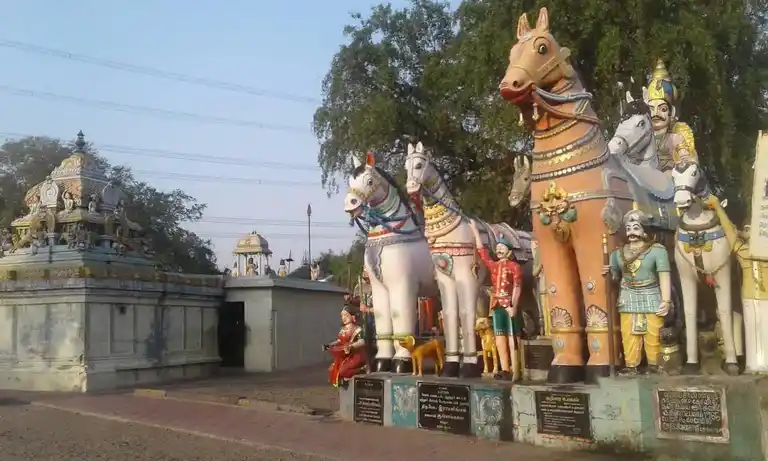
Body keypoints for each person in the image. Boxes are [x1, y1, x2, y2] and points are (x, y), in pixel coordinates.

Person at [708, 198, 768, 374]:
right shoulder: (742, 251)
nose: (750, 234)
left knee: (765, 328)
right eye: (747, 230)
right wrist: (718, 208)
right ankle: (752, 364)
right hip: (748, 295)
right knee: (751, 330)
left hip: (766, 298)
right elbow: (729, 230)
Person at [609, 210, 672, 375]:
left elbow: (664, 275)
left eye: (636, 228)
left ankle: (654, 364)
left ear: (644, 230)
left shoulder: (657, 251)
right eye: (628, 228)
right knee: (629, 333)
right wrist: (608, 273)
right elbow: (614, 278)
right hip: (628, 294)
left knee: (653, 332)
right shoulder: (617, 254)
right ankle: (632, 365)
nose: (631, 232)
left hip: (651, 294)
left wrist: (666, 300)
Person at [470, 220, 523, 381]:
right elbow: (482, 252)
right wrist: (475, 232)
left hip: (509, 305)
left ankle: (516, 368)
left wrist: (514, 304)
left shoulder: (514, 266)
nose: (499, 250)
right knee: (499, 338)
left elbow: (518, 286)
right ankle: (505, 369)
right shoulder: (493, 266)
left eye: (502, 248)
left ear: (509, 251)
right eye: (498, 248)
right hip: (497, 305)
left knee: (512, 338)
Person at [644, 59, 698, 172]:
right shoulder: (643, 136)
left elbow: (689, 162)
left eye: (662, 109)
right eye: (651, 109)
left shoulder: (675, 137)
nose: (655, 114)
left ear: (671, 112)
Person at [323, 306, 367, 387]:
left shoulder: (358, 329)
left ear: (353, 316)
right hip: (344, 354)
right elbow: (340, 340)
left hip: (355, 354)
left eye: (346, 315)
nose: (343, 318)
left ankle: (362, 370)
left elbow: (362, 341)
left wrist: (352, 346)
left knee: (343, 370)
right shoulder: (343, 329)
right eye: (342, 316)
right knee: (333, 369)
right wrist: (330, 345)